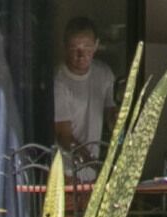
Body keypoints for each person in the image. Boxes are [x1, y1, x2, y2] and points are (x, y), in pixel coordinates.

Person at [50, 17, 117, 167]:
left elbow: (111, 112)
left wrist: (115, 119)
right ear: (65, 47)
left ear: (96, 45)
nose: (81, 55)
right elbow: (63, 135)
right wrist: (92, 163)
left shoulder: (104, 74)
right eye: (74, 48)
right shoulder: (58, 81)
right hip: (66, 169)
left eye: (87, 47)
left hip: (92, 167)